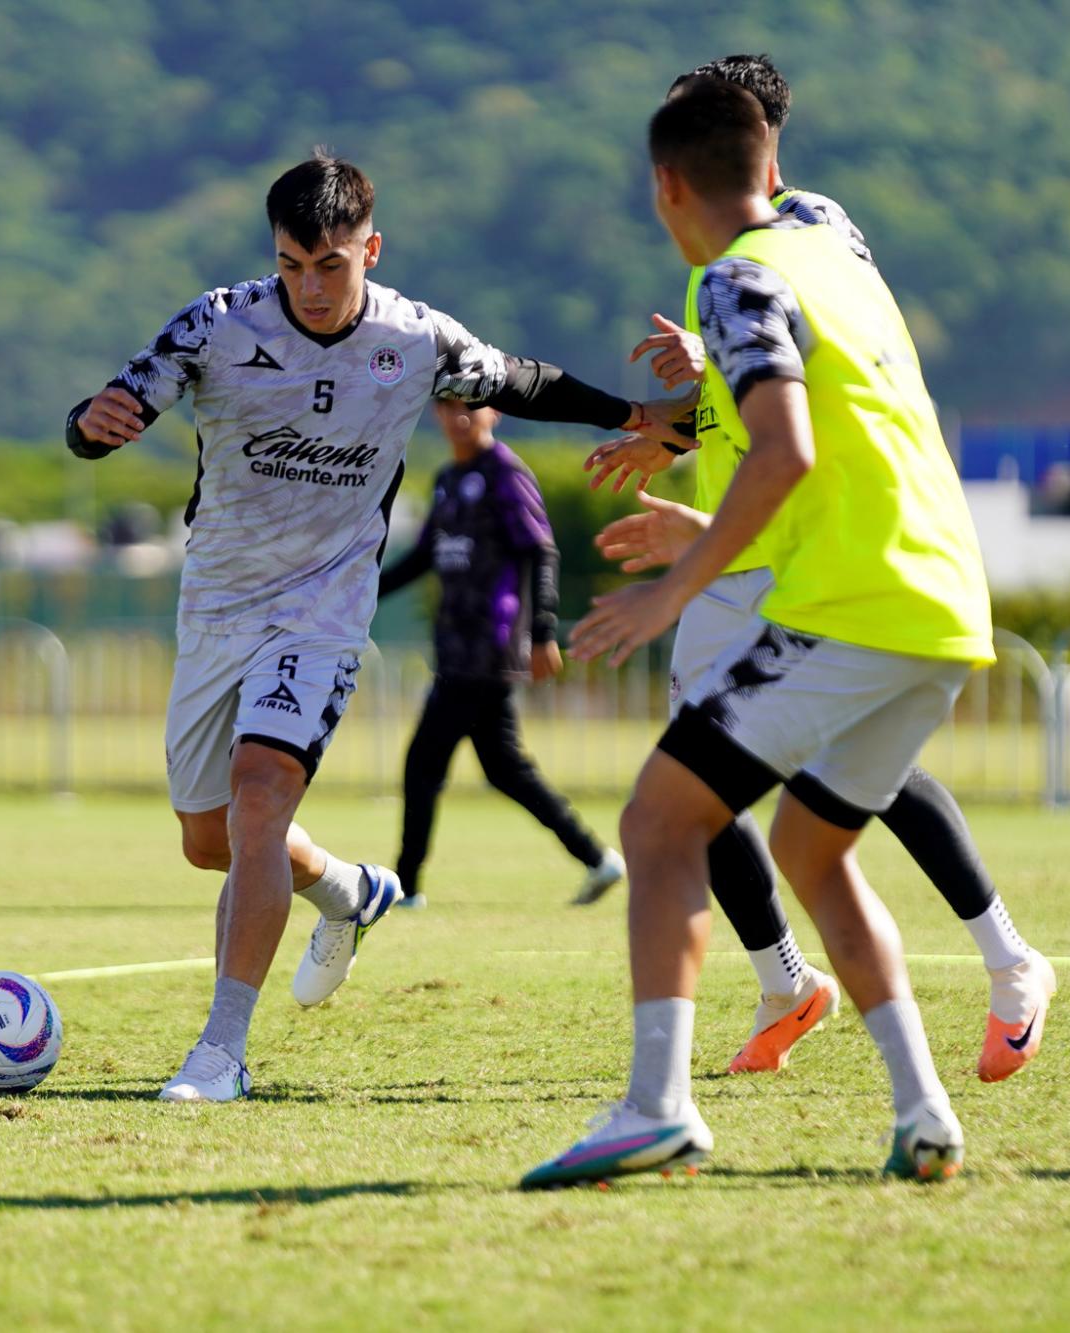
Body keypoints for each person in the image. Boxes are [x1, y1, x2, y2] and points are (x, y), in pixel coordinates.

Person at [67, 151, 682, 1103]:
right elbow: (116, 403)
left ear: (370, 250)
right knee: (210, 838)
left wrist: (646, 415)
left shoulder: (416, 337)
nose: (310, 286)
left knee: (260, 793)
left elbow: (522, 380)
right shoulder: (217, 323)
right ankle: (350, 891)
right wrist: (90, 424)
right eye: (291, 265)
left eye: (332, 264)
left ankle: (220, 1052)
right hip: (218, 601)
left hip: (322, 607)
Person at [522, 78, 994, 1186]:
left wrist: (675, 583)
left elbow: (783, 451)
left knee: (655, 823)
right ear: (773, 173)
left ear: (664, 189)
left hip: (852, 602)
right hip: (943, 601)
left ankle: (654, 1106)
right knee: (808, 850)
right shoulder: (835, 252)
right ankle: (923, 1112)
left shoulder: (731, 280)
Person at [584, 53, 1054, 1086]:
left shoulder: (782, 244)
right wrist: (672, 430)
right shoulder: (760, 249)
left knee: (686, 799)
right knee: (798, 793)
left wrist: (679, 565)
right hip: (764, 539)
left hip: (785, 547)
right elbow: (766, 402)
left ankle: (742, 1034)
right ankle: (865, 1029)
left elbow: (797, 416)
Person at [378, 400, 626, 912]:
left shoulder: (505, 473)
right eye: (446, 405)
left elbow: (542, 550)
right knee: (504, 768)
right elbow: (425, 554)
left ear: (495, 412)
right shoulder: (448, 477)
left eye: (470, 405)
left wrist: (543, 631)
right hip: (455, 645)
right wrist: (364, 591)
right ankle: (597, 857)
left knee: (423, 762)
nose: (457, 415)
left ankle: (407, 887)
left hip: (490, 644)